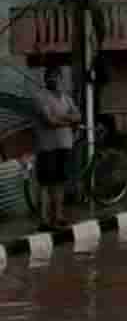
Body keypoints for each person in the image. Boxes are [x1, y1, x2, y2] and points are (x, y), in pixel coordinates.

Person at [33, 68, 81, 230]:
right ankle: (44, 221)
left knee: (60, 182)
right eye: (50, 77)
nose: (53, 80)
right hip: (47, 148)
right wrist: (69, 120)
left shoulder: (66, 98)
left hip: (65, 145)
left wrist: (64, 119)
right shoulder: (40, 97)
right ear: (46, 80)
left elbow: (78, 116)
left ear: (61, 79)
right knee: (46, 183)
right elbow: (49, 121)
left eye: (56, 77)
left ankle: (58, 217)